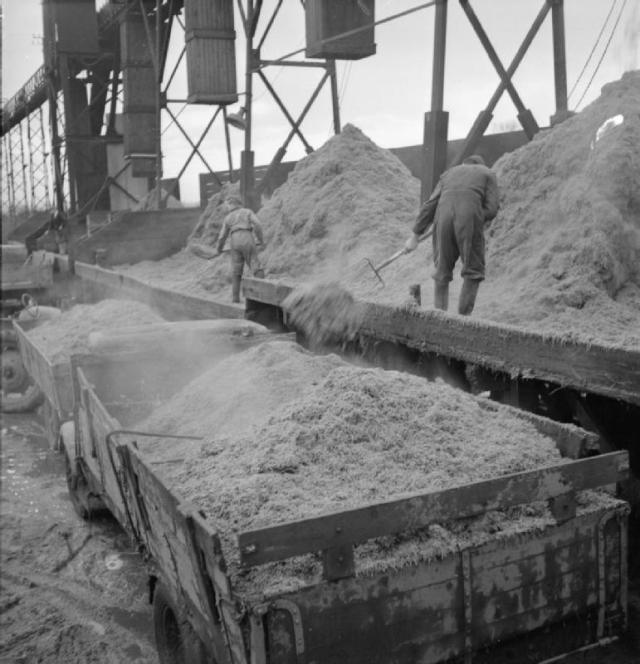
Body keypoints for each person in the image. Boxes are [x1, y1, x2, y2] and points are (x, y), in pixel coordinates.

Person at [404, 155, 499, 315]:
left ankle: (439, 318)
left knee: (441, 272)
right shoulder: (488, 173)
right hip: (470, 218)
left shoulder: (448, 174)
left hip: (441, 219)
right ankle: (462, 321)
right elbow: (492, 208)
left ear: (464, 164)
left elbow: (430, 205)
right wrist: (476, 217)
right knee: (473, 272)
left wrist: (415, 235)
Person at [216, 196, 265, 302]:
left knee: (236, 271)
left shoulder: (228, 218)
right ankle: (263, 296)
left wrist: (219, 249)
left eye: (228, 205)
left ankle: (235, 299)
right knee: (255, 265)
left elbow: (222, 236)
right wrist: (260, 239)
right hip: (247, 236)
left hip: (234, 240)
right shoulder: (247, 212)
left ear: (231, 205)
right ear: (239, 203)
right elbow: (258, 224)